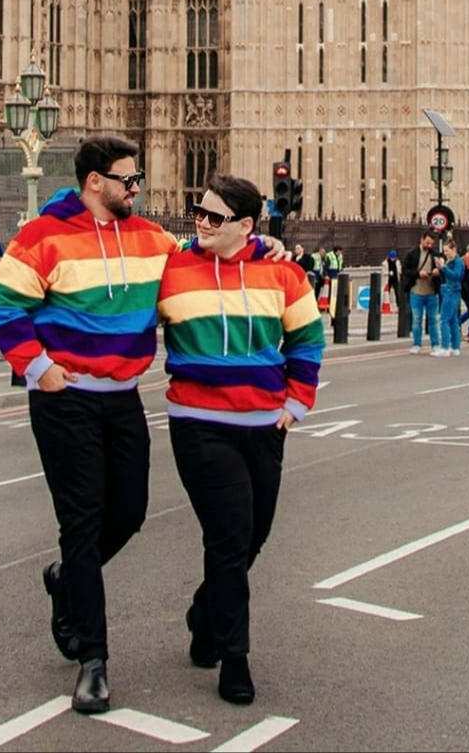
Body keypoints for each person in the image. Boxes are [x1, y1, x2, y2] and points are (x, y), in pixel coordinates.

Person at [0, 136, 286, 716]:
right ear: (94, 182)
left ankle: (67, 577)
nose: (137, 189)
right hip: (65, 400)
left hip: (122, 399)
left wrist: (260, 242)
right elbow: (0, 306)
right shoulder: (42, 237)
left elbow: (207, 255)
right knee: (83, 518)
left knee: (130, 511)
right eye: (129, 180)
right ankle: (93, 660)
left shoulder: (152, 241)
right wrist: (39, 367)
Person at [158, 174, 324, 706]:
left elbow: (306, 338)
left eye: (213, 217)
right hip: (199, 424)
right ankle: (235, 658)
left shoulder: (282, 272)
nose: (200, 223)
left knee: (253, 536)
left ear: (247, 226)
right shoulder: (173, 268)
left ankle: (205, 614)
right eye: (197, 213)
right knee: (229, 537)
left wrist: (296, 403)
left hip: (262, 426)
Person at [401, 229, 441, 354]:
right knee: (417, 319)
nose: (429, 246)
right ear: (422, 239)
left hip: (432, 292)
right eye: (427, 243)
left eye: (431, 244)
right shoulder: (412, 253)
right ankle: (416, 344)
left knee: (433, 319)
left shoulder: (435, 254)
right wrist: (418, 274)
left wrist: (438, 271)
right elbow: (405, 270)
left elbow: (443, 269)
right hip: (416, 291)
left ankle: (435, 344)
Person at [434, 238, 464, 357]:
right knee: (453, 321)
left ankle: (445, 347)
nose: (445, 253)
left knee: (444, 320)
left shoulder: (457, 262)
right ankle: (455, 347)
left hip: (451, 292)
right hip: (450, 291)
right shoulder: (452, 261)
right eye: (444, 251)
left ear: (454, 249)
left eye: (447, 251)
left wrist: (444, 268)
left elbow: (456, 276)